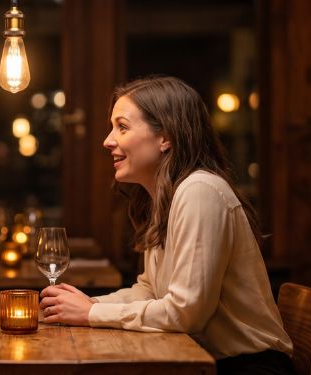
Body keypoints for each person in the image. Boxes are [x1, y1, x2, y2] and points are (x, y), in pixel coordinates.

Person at [38, 76, 294, 374]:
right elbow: (149, 290)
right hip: (205, 361)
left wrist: (92, 312)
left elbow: (187, 315)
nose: (107, 141)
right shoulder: (168, 196)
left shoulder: (200, 190)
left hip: (249, 367)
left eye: (122, 127)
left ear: (166, 137)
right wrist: (88, 304)